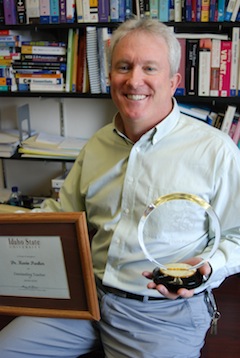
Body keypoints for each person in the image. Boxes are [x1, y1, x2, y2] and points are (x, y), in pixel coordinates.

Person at [1, 18, 240, 358]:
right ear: (110, 76)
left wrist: (209, 266)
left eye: (149, 68)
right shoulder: (98, 144)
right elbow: (62, 215)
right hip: (86, 301)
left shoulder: (215, 151)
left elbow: (239, 234)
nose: (134, 80)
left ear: (173, 81)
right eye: (123, 67)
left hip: (162, 314)